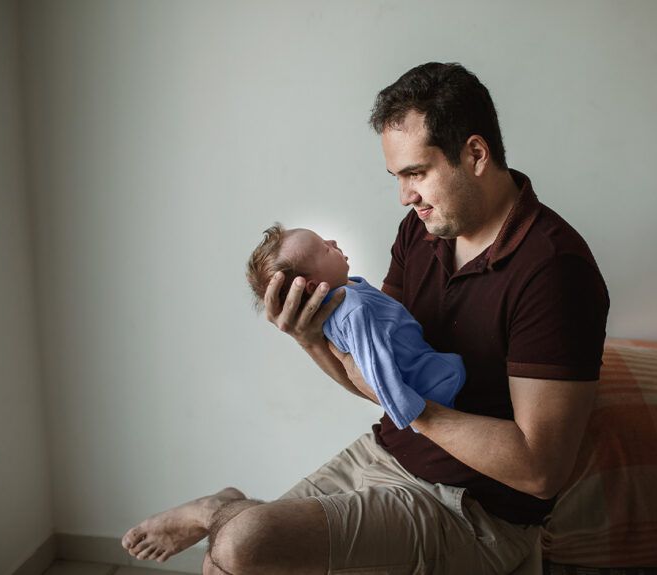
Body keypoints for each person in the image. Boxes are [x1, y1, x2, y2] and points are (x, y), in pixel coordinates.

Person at [121, 62, 609, 575]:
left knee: (242, 542)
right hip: (384, 452)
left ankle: (216, 508)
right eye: (397, 178)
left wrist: (411, 407)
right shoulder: (420, 232)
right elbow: (373, 376)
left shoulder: (554, 270)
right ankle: (226, 513)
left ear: (475, 154)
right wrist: (311, 341)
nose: (405, 196)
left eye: (416, 174)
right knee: (226, 564)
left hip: (471, 510)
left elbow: (540, 471)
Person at [244, 223, 466, 430]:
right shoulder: (352, 310)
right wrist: (407, 411)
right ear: (313, 286)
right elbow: (373, 363)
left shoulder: (347, 293)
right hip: (433, 383)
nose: (332, 242)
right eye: (325, 249)